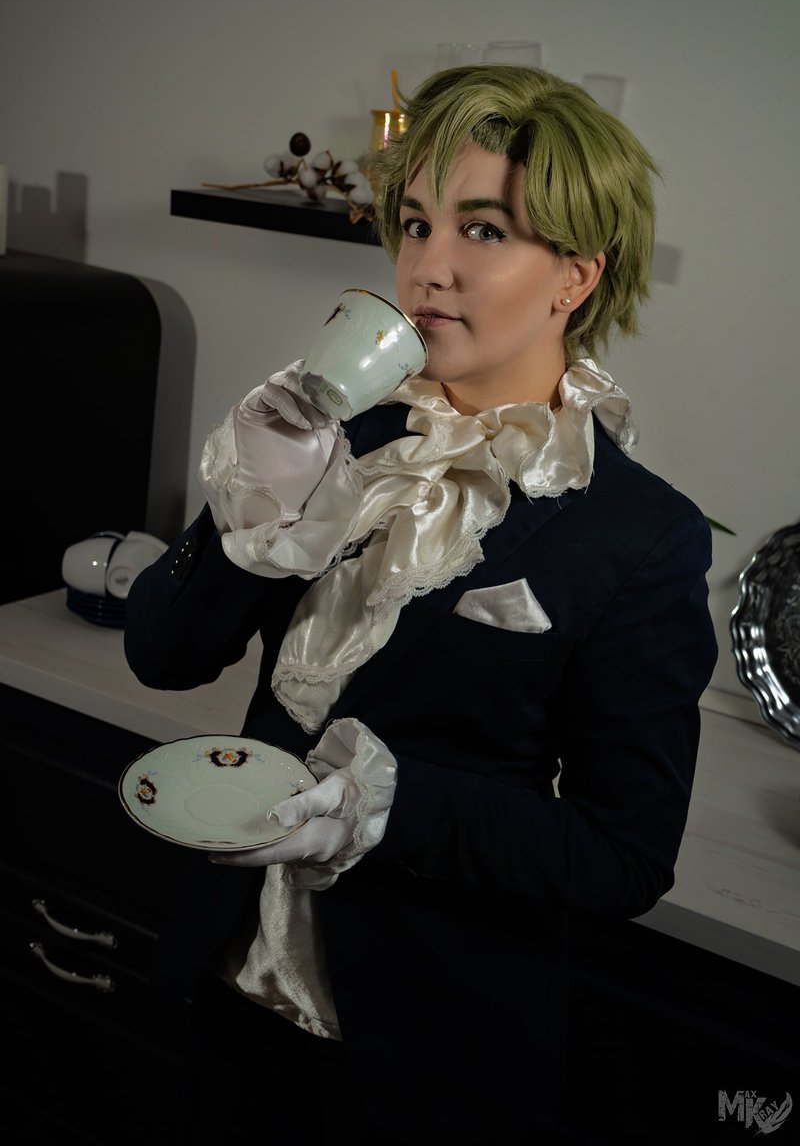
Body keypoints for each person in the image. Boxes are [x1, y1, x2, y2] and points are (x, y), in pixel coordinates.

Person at [124, 63, 718, 1145]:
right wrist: (253, 507)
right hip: (228, 979)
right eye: (413, 224)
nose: (425, 269)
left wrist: (388, 810)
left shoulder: (639, 534)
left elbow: (622, 855)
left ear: (575, 275)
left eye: (483, 230)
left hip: (428, 1051)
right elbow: (163, 656)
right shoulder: (338, 434)